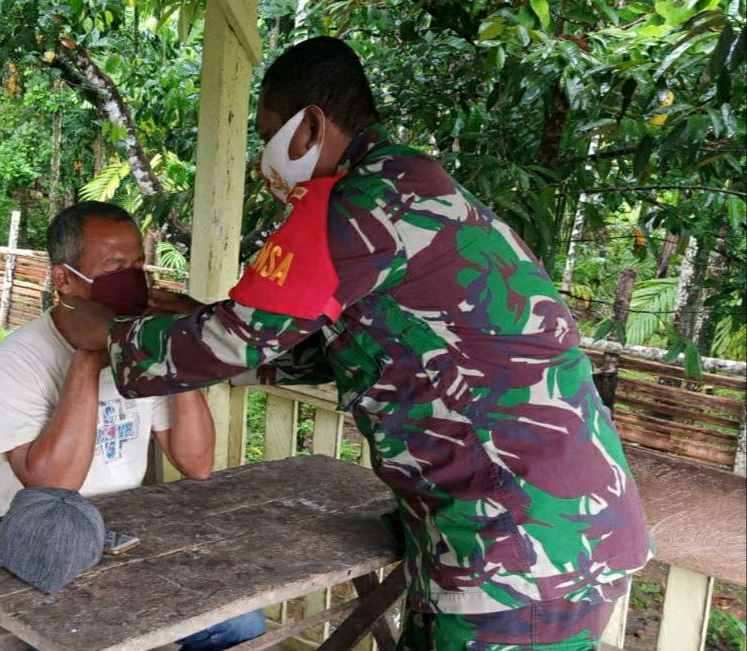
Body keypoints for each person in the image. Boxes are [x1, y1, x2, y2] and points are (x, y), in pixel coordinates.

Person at [62, 37, 653, 650]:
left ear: (311, 125)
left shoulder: (360, 203)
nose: (263, 156)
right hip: (537, 524)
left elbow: (241, 339)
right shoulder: (409, 185)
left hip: (517, 544)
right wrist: (210, 324)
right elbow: (342, 344)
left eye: (267, 135)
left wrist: (112, 336)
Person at [0, 201, 266, 651]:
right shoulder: (15, 361)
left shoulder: (140, 343)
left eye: (138, 265)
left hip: (128, 540)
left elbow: (197, 463)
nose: (134, 280)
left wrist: (174, 351)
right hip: (45, 546)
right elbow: (53, 485)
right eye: (115, 268)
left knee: (241, 623)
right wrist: (90, 353)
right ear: (64, 279)